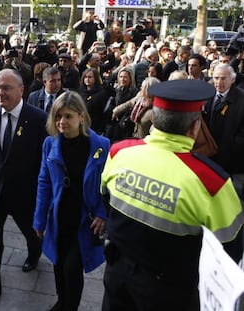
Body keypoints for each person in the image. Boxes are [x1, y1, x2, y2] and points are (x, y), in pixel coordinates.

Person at [100, 79, 244, 311]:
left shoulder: (119, 152)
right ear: (195, 127)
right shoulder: (212, 182)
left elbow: (106, 198)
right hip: (171, 292)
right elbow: (231, 249)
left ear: (154, 119)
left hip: (118, 277)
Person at [0, 69, 47, 309]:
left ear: (21, 90)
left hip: (25, 194)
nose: (0, 93)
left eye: (6, 87)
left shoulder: (39, 119)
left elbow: (43, 161)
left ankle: (34, 253)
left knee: (30, 234)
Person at [33, 91, 110, 311]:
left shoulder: (101, 146)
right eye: (58, 116)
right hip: (58, 218)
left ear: (81, 117)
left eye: (68, 116)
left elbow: (110, 186)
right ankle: (62, 300)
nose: (61, 122)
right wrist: (39, 220)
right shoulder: (50, 144)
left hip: (84, 221)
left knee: (71, 269)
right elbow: (44, 182)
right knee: (58, 264)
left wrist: (103, 213)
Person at [204, 64, 244, 199]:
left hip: (231, 160)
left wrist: (230, 145)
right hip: (207, 155)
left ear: (232, 79)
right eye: (216, 78)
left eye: (223, 79)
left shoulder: (241, 100)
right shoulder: (207, 94)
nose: (219, 82)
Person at [77, 67, 113, 134]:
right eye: (85, 77)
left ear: (95, 78)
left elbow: (105, 113)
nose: (87, 79)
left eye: (90, 77)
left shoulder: (102, 93)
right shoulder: (80, 91)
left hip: (95, 128)